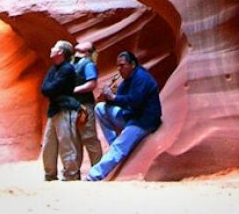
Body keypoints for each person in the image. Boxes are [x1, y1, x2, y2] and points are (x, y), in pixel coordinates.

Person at [85, 51, 162, 181]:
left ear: (132, 64)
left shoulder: (141, 78)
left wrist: (113, 97)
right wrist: (107, 98)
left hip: (143, 121)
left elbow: (135, 101)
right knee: (100, 108)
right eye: (118, 66)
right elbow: (119, 101)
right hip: (130, 116)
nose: (119, 69)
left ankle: (93, 176)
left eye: (122, 65)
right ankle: (115, 143)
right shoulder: (127, 79)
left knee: (119, 148)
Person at [40, 40, 81, 181]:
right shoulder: (54, 69)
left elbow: (52, 88)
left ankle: (71, 174)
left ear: (61, 52)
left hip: (65, 109)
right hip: (54, 109)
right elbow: (45, 88)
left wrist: (51, 90)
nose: (51, 48)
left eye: (54, 47)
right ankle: (50, 174)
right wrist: (51, 90)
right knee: (48, 144)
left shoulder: (68, 69)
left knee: (66, 142)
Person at [72, 41, 103, 169]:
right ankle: (73, 172)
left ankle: (98, 169)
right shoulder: (73, 63)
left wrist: (73, 90)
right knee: (74, 139)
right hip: (73, 105)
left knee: (89, 137)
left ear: (87, 51)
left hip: (84, 105)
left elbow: (92, 84)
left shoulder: (88, 64)